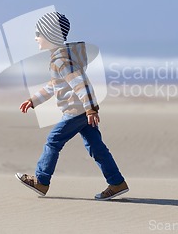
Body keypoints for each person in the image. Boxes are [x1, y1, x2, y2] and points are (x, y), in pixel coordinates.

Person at [16, 11, 129, 201]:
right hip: (82, 110)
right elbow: (55, 85)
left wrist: (90, 108)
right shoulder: (61, 57)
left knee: (53, 141)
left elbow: (81, 83)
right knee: (96, 147)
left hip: (76, 111)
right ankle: (117, 182)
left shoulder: (61, 60)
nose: (36, 38)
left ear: (51, 35)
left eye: (39, 34)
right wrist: (34, 100)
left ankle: (41, 181)